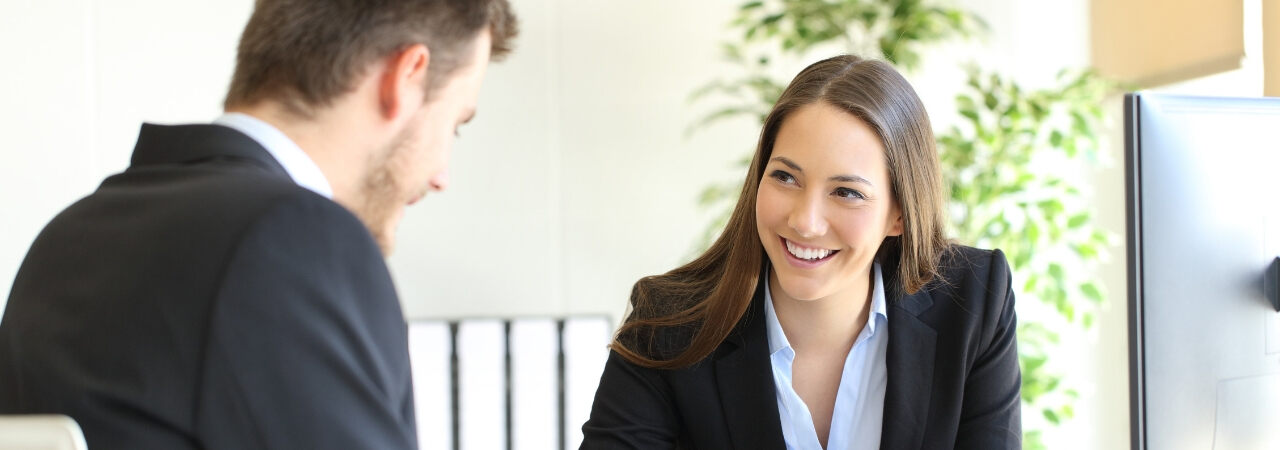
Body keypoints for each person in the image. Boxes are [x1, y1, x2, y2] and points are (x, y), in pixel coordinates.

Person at [0, 1, 517, 448]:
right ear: (406, 77)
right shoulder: (295, 237)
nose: (442, 176)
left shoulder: (71, 234)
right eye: (456, 125)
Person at [580, 55, 1021, 449]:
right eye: (786, 178)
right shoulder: (668, 325)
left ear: (899, 215)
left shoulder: (975, 301)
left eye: (846, 192)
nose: (805, 222)